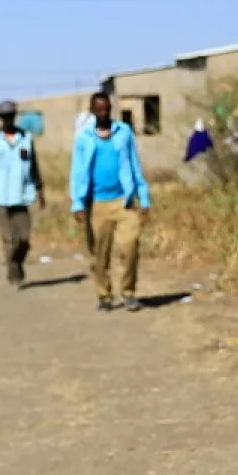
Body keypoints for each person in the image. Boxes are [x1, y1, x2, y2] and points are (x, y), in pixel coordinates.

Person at [69, 91, 152, 312]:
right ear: (93, 110)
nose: (103, 112)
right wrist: (77, 203)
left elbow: (134, 165)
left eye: (107, 108)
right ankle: (104, 295)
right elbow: (77, 172)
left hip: (124, 201)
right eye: (99, 109)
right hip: (96, 204)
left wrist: (143, 198)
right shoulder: (84, 138)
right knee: (99, 254)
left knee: (130, 246)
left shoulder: (123, 133)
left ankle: (129, 292)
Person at [0, 99, 45, 287]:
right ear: (1, 119)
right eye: (5, 117)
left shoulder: (26, 139)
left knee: (24, 239)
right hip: (0, 196)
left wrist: (40, 190)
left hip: (22, 194)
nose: (8, 120)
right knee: (9, 239)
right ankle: (14, 273)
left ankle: (16, 261)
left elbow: (34, 166)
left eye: (11, 116)